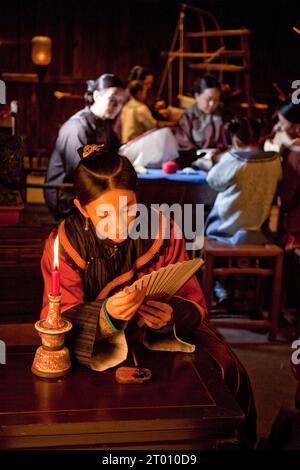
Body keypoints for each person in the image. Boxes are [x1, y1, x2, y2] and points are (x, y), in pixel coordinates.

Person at [40, 144, 256, 445]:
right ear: (82, 208)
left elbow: (191, 296)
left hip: (164, 337)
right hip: (93, 347)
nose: (120, 223)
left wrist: (171, 316)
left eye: (128, 210)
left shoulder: (161, 229)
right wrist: (106, 318)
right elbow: (57, 319)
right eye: (105, 214)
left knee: (226, 368)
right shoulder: (65, 243)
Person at [45, 73, 125, 219]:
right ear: (96, 96)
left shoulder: (105, 124)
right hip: (65, 194)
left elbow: (117, 153)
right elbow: (81, 171)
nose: (117, 105)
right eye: (113, 98)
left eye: (121, 101)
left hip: (89, 187)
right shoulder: (76, 128)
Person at [205, 117, 282, 244]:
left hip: (227, 229)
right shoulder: (275, 160)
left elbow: (212, 180)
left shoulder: (234, 159)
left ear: (235, 141)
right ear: (259, 138)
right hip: (259, 228)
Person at [175, 75, 228, 157]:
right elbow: (183, 143)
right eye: (208, 99)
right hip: (193, 160)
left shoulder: (223, 116)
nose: (212, 104)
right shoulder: (188, 116)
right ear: (197, 96)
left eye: (216, 100)